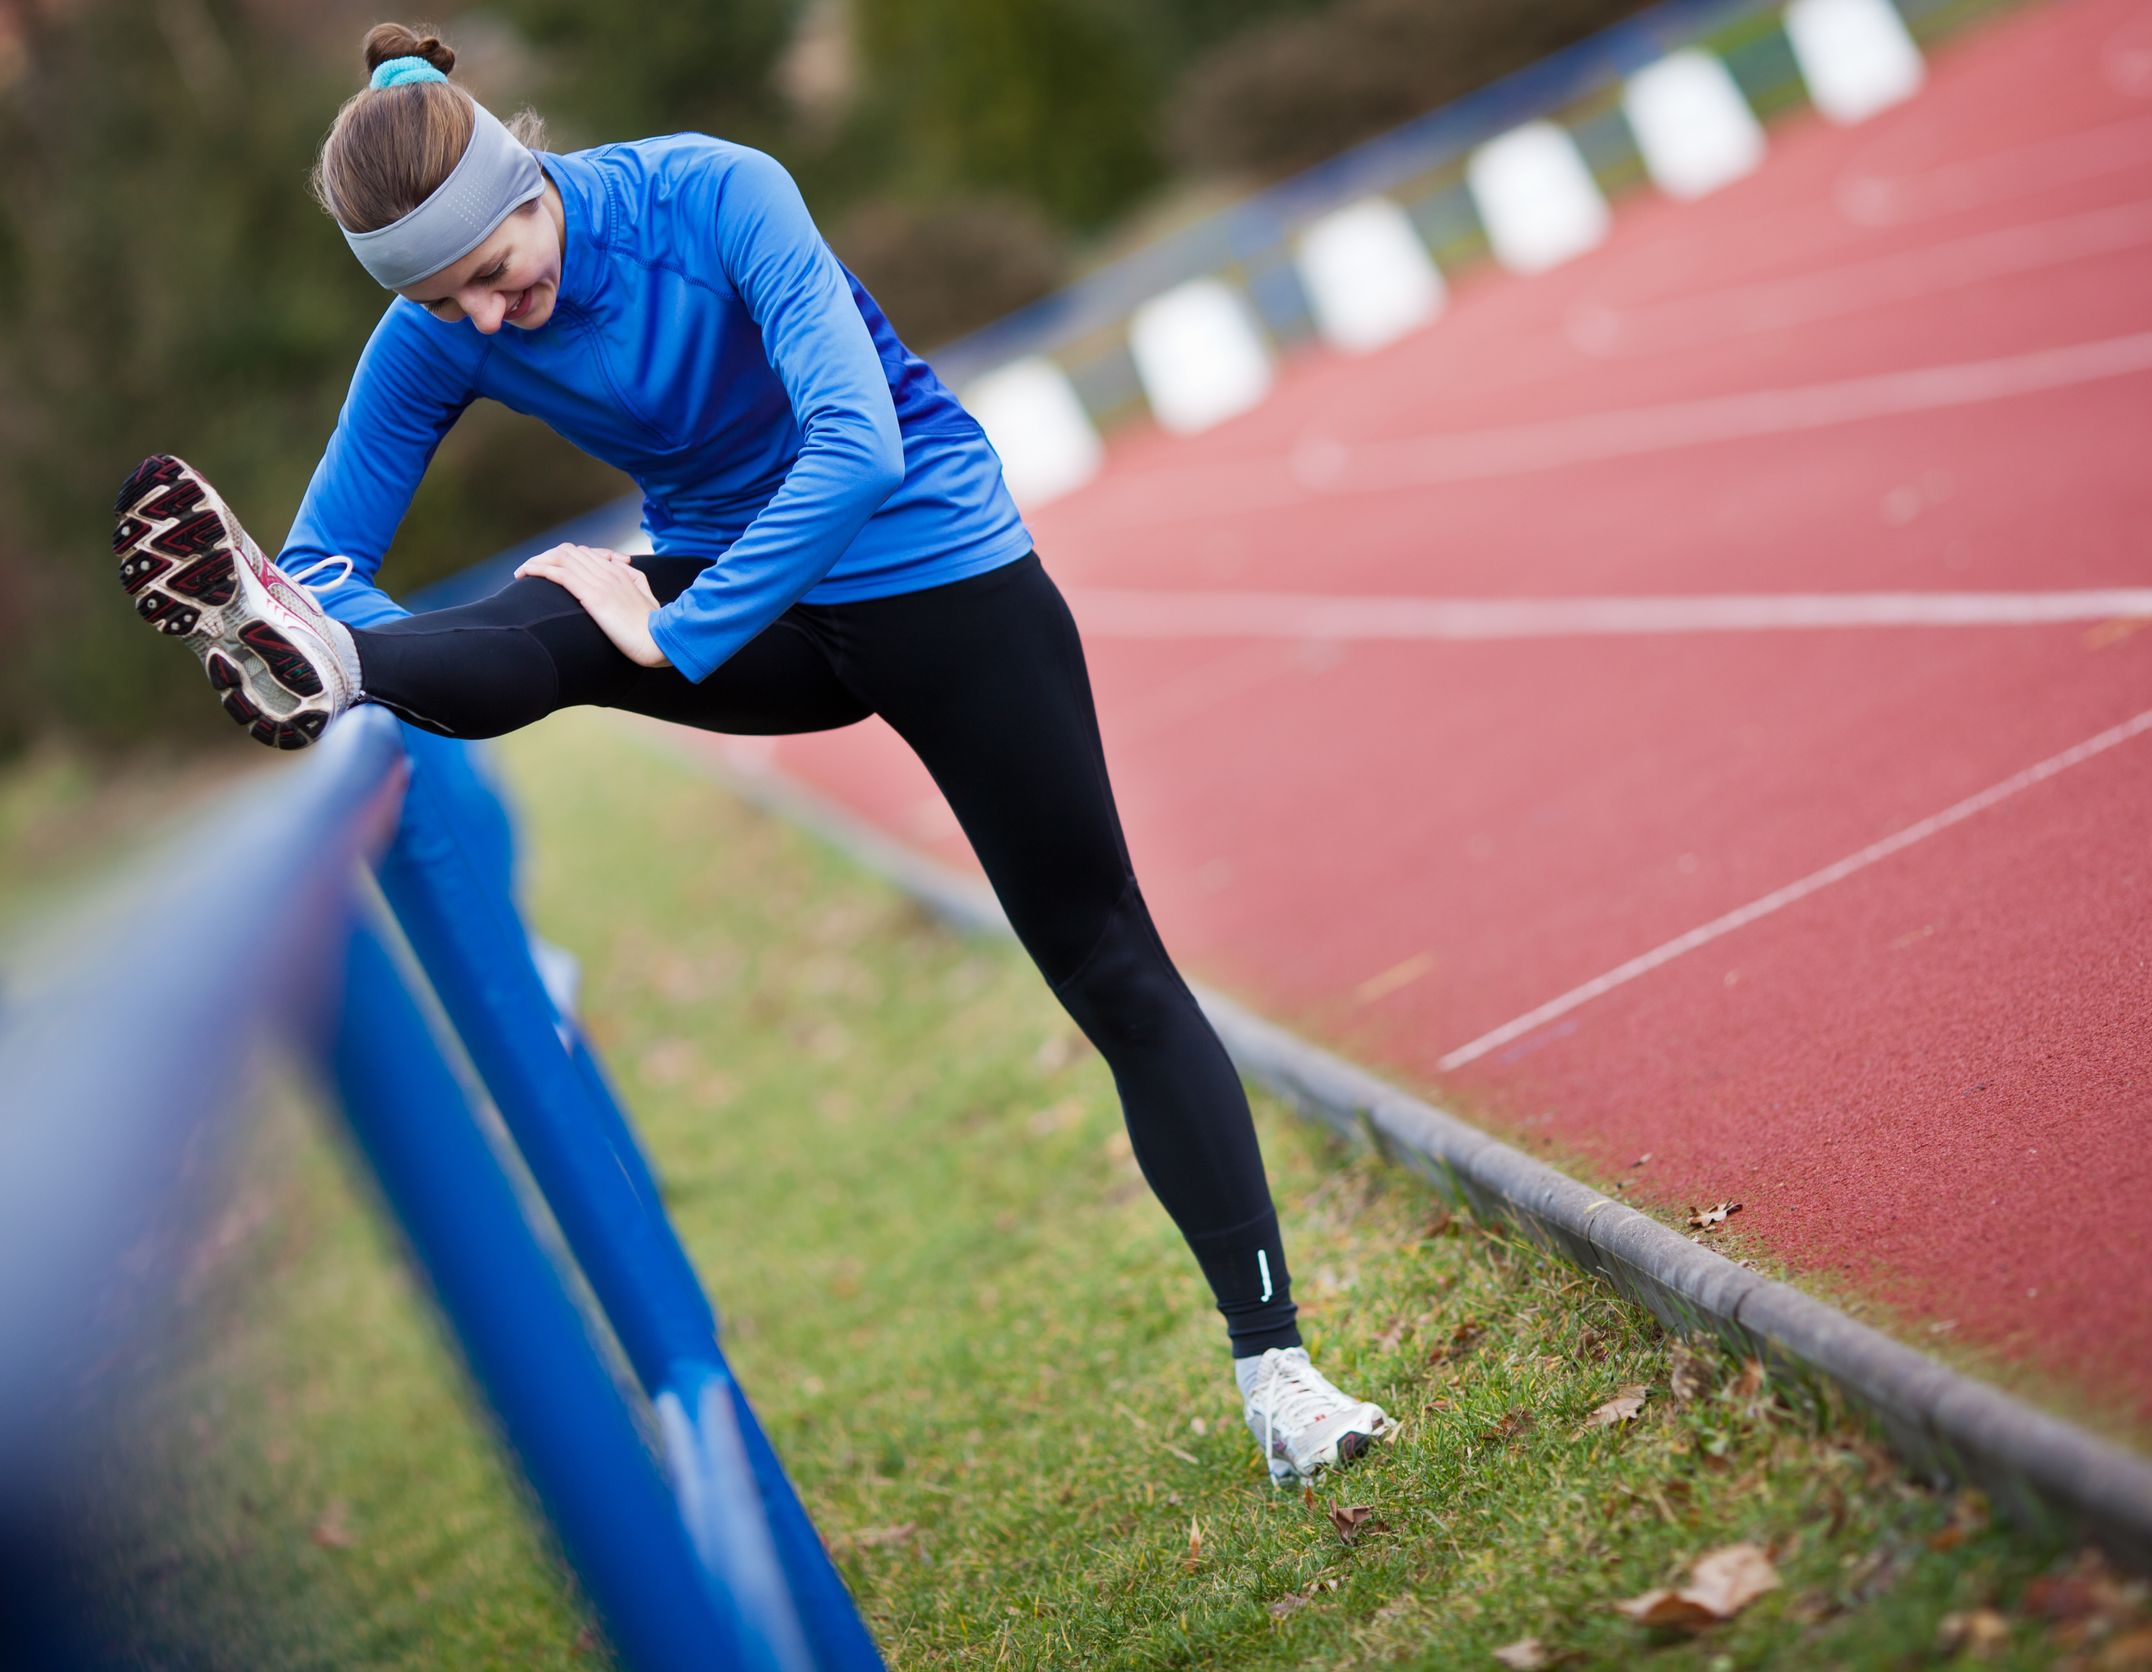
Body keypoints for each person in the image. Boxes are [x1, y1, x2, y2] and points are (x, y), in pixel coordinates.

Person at [107, 22, 1394, 1487]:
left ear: (527, 178)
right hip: (740, 601)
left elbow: (856, 443)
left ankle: (1278, 1372)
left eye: (491, 271)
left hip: (931, 575)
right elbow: (330, 552)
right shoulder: (440, 332)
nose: (483, 319)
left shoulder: (716, 192)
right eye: (442, 302)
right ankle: (327, 677)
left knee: (1108, 964)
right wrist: (324, 614)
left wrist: (678, 627)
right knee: (537, 622)